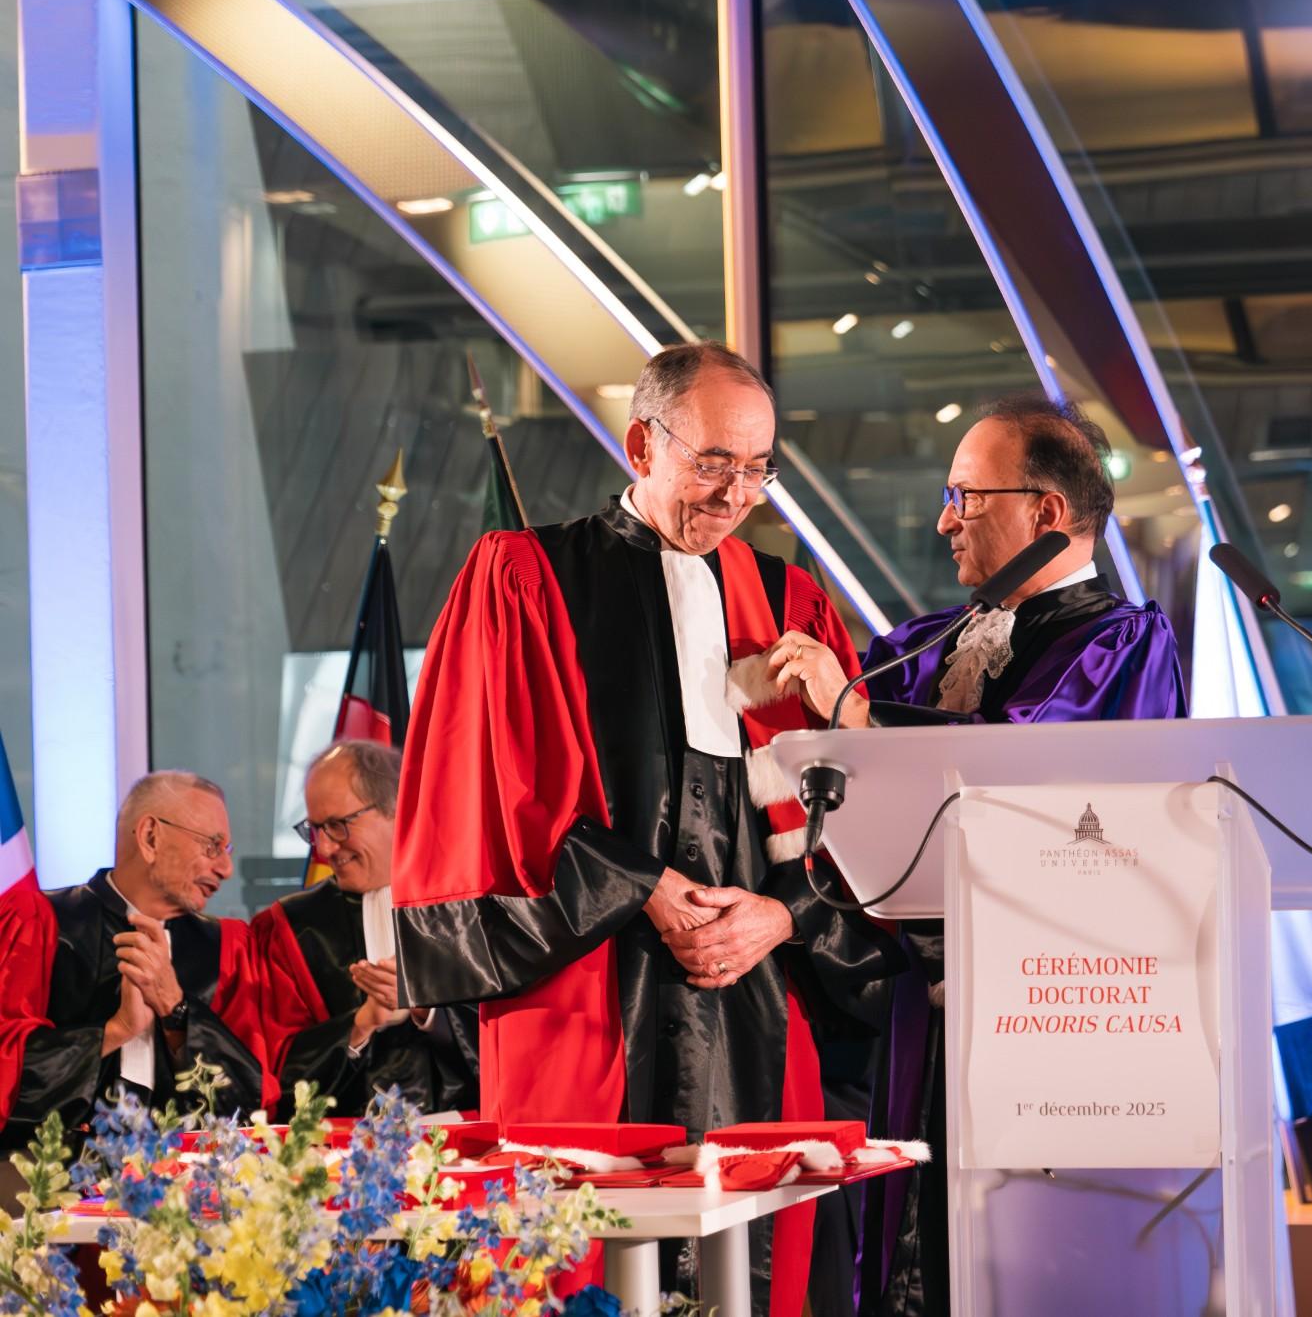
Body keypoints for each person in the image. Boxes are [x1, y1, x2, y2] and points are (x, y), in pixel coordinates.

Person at [390, 340, 902, 1317]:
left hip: (753, 994)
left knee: (754, 1257)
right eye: (714, 462)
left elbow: (861, 817)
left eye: (758, 469)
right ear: (641, 444)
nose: (737, 493)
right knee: (575, 1256)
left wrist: (781, 916)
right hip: (586, 981)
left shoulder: (789, 603)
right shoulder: (528, 576)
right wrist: (644, 886)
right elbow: (491, 790)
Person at [764, 393, 1188, 1316]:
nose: (944, 520)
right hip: (911, 1017)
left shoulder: (1121, 645)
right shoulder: (921, 648)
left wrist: (855, 716)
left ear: (1047, 512)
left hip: (1053, 1023)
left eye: (966, 496)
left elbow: (1020, 772)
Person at [0, 772, 266, 1146]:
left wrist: (177, 1010)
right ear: (150, 837)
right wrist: (115, 1030)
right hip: (48, 1171)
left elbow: (249, 1102)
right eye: (211, 846)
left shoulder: (228, 947)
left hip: (188, 1174)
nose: (226, 869)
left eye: (227, 850)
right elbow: (8, 1076)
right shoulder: (41, 922)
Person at [251, 741, 478, 1119]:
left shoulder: (470, 903)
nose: (324, 848)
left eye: (337, 826)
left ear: (397, 809)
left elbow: (520, 1044)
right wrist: (362, 1023)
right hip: (340, 1143)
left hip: (470, 1135)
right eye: (315, 829)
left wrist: (426, 1007)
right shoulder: (293, 928)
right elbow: (277, 1075)